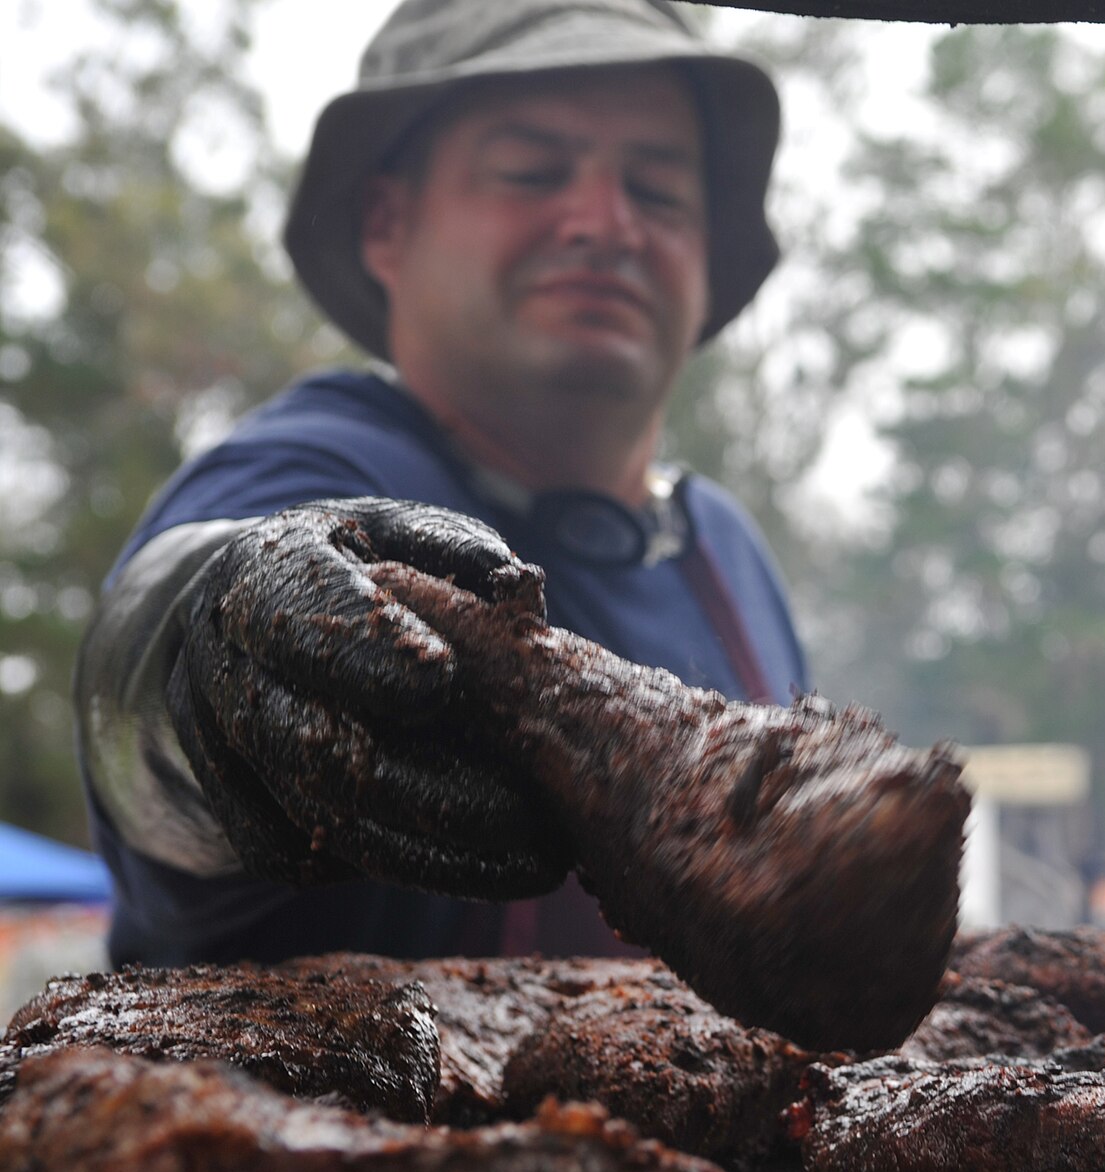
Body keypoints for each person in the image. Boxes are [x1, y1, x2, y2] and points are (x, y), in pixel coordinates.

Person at [73, 0, 805, 968]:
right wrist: (217, 647)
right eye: (533, 171)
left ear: (708, 256)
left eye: (659, 190)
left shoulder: (726, 551)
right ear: (387, 223)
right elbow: (150, 679)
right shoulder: (314, 464)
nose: (605, 221)